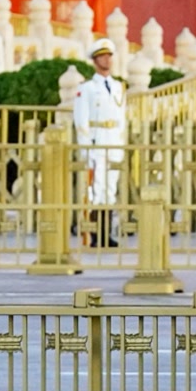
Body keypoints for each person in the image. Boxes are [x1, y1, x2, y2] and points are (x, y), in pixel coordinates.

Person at [73, 38, 127, 247]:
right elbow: (81, 120)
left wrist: (121, 144)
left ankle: (107, 232)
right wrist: (86, 147)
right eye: (102, 56)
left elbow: (121, 118)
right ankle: (95, 234)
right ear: (95, 60)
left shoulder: (117, 87)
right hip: (97, 140)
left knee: (110, 188)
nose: (107, 59)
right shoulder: (87, 88)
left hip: (113, 139)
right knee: (96, 188)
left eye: (109, 56)